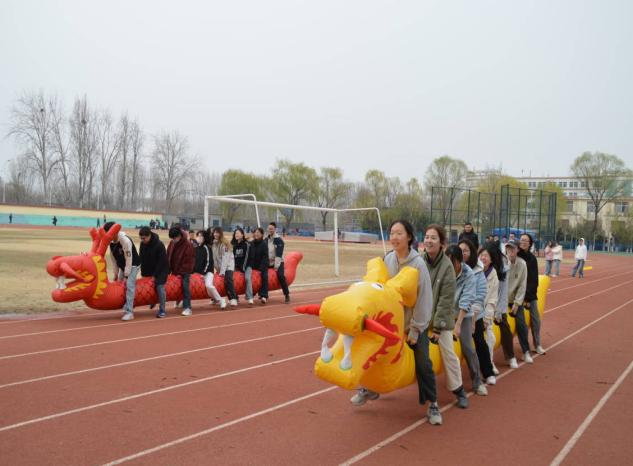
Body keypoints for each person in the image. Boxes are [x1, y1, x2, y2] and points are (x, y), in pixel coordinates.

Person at [351, 220, 442, 425]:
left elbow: (424, 299)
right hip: (391, 323)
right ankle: (370, 388)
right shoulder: (388, 259)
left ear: (409, 237)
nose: (394, 237)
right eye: (392, 233)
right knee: (370, 348)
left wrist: (416, 330)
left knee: (423, 361)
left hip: (411, 324)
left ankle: (433, 404)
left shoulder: (418, 264)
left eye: (399, 233)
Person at [423, 224, 468, 409]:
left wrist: (438, 328)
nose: (429, 241)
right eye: (427, 237)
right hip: (421, 317)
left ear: (441, 243)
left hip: (441, 319)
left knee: (448, 353)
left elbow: (446, 299)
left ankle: (458, 389)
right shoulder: (419, 261)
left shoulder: (447, 267)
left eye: (433, 238)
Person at [446, 244, 487, 397]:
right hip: (446, 311)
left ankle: (477, 381)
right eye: (448, 262)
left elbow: (467, 299)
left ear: (460, 261)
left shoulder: (468, 273)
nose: (451, 266)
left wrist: (458, 324)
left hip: (463, 313)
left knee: (467, 347)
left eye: (453, 263)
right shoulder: (444, 270)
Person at [458, 239, 495, 387]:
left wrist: (473, 321)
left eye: (466, 250)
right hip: (457, 312)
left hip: (474, 313)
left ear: (472, 252)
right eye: (460, 250)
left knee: (479, 341)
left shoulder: (478, 271)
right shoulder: (454, 266)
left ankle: (488, 372)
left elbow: (479, 297)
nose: (463, 253)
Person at [103, 222, 141, 321]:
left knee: (129, 285)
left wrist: (127, 274)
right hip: (123, 266)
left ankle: (130, 312)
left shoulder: (125, 241)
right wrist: (116, 273)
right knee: (119, 284)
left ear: (115, 232)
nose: (108, 236)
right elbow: (113, 259)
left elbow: (129, 259)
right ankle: (126, 304)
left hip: (133, 265)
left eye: (109, 233)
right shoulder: (111, 243)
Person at [505, 240, 532, 363]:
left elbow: (522, 285)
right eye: (508, 249)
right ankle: (509, 356)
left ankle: (526, 351)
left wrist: (517, 304)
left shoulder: (522, 264)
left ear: (517, 250)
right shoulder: (503, 263)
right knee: (504, 327)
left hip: (515, 300)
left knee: (521, 325)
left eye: (513, 249)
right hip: (502, 300)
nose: (510, 251)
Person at [518, 233, 544, 355]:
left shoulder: (532, 259)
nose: (523, 242)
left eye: (525, 241)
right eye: (521, 240)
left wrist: (528, 298)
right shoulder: (516, 256)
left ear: (530, 244)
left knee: (536, 320)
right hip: (517, 294)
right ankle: (525, 348)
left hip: (529, 294)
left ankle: (537, 344)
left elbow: (534, 280)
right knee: (521, 323)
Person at [478, 244, 502, 376]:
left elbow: (493, 300)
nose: (483, 258)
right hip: (472, 312)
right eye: (481, 255)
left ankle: (489, 362)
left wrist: (487, 319)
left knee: (490, 338)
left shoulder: (494, 275)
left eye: (486, 256)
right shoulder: (474, 271)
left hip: (485, 313)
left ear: (491, 259)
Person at [139, 226, 169, 318]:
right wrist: (143, 273)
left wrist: (155, 275)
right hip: (149, 269)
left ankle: (162, 310)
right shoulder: (142, 244)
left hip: (161, 269)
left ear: (149, 236)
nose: (142, 240)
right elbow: (142, 258)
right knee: (148, 286)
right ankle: (153, 301)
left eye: (144, 238)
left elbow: (162, 262)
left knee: (159, 286)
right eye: (141, 238)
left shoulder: (159, 245)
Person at [194, 230, 226, 309]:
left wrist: (203, 273)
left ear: (204, 238)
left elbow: (209, 261)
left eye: (201, 236)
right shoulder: (196, 248)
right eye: (198, 236)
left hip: (208, 272)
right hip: (198, 273)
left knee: (208, 285)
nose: (199, 237)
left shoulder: (207, 248)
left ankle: (221, 300)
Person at [167, 226, 195, 316]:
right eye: (172, 238)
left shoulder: (188, 245)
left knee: (185, 286)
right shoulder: (172, 243)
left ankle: (187, 308)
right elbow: (169, 255)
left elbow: (189, 261)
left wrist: (181, 273)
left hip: (185, 271)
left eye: (174, 238)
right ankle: (178, 301)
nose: (173, 240)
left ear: (179, 236)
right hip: (175, 270)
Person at [211, 226, 238, 307]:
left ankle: (233, 299)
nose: (215, 234)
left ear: (220, 234)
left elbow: (225, 259)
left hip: (228, 266)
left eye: (217, 233)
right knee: (215, 281)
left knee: (228, 280)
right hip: (219, 268)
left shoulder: (225, 244)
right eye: (214, 232)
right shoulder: (213, 244)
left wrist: (222, 272)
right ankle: (215, 298)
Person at [266, 222, 290, 304]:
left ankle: (286, 294)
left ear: (275, 229)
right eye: (269, 228)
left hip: (279, 262)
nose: (270, 230)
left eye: (272, 229)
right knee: (261, 274)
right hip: (268, 262)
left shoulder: (279, 240)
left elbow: (278, 255)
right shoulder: (266, 239)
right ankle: (263, 294)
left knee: (280, 276)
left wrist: (276, 267)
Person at [248, 227, 269, 303]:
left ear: (262, 234)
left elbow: (265, 257)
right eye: (255, 232)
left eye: (258, 233)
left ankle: (264, 296)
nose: (256, 234)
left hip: (262, 265)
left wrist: (261, 268)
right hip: (253, 265)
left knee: (264, 277)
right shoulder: (251, 243)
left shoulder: (264, 244)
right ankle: (251, 294)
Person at [231, 227, 252, 304]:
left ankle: (249, 297)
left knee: (247, 278)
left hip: (247, 266)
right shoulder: (234, 245)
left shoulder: (246, 244)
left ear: (242, 234)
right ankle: (235, 297)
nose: (236, 235)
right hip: (237, 266)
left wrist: (243, 268)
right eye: (235, 233)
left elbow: (246, 257)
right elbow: (233, 258)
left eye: (238, 233)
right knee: (231, 279)